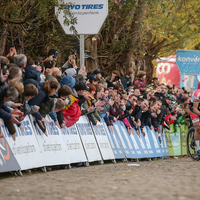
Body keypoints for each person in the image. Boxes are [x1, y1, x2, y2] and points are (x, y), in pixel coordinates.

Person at [189, 89, 200, 155]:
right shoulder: (198, 94)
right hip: (194, 108)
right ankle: (198, 149)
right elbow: (195, 109)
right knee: (198, 128)